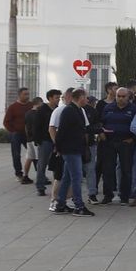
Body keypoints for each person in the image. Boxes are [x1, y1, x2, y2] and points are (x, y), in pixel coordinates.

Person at [48, 88, 95, 216]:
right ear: (80, 98)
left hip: (75, 148)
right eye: (86, 97)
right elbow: (61, 131)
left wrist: (100, 130)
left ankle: (60, 204)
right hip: (70, 150)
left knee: (67, 177)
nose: (87, 99)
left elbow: (83, 129)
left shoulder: (78, 110)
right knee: (77, 177)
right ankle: (79, 205)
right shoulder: (69, 111)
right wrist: (58, 147)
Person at [98, 87, 136, 205]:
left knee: (126, 170)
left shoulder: (134, 109)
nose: (120, 99)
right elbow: (101, 122)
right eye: (118, 96)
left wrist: (133, 138)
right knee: (108, 169)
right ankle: (108, 195)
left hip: (126, 143)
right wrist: (101, 133)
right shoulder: (108, 108)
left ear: (128, 97)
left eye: (123, 96)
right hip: (109, 142)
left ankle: (124, 196)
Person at [26, 89, 59, 197]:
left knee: (56, 165)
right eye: (56, 97)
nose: (58, 99)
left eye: (59, 97)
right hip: (45, 141)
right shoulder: (42, 110)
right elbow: (36, 126)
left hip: (56, 141)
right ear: (50, 98)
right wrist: (38, 141)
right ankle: (40, 187)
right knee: (42, 164)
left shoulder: (58, 110)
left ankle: (57, 187)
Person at [3, 87, 39, 183]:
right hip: (17, 134)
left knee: (34, 153)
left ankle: (39, 173)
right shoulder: (13, 107)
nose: (27, 96)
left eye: (28, 94)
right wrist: (13, 131)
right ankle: (19, 173)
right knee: (16, 154)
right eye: (25, 94)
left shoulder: (31, 105)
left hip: (29, 135)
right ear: (19, 95)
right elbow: (6, 122)